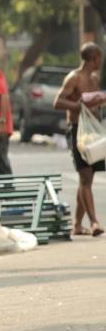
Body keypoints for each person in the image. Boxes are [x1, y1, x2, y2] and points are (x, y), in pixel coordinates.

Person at [53, 42, 106, 237]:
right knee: (85, 177)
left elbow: (94, 102)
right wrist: (79, 106)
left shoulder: (94, 78)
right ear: (94, 58)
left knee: (88, 178)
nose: (100, 61)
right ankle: (94, 222)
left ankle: (77, 224)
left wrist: (98, 102)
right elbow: (58, 102)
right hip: (77, 130)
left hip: (93, 132)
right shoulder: (74, 78)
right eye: (99, 57)